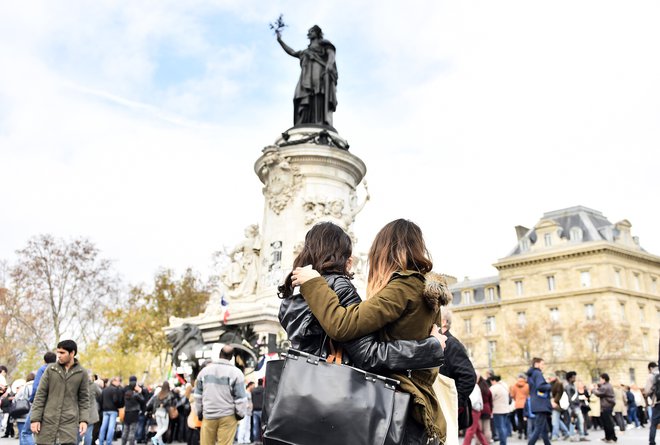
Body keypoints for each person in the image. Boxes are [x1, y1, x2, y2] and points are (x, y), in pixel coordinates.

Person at [292, 219, 451, 444]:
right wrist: (431, 347)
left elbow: (343, 325)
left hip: (391, 405)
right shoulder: (427, 293)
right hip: (413, 405)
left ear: (384, 251)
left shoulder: (402, 287)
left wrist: (314, 284)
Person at [278, 222, 446, 373]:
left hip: (301, 384)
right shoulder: (337, 285)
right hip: (338, 389)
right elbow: (366, 352)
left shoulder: (293, 299)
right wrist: (431, 348)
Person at [30, 339, 90, 445]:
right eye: (58, 352)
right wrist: (35, 419)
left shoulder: (82, 373)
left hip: (69, 423)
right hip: (48, 421)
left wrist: (84, 420)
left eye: (62, 353)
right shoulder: (50, 369)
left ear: (72, 353)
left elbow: (84, 399)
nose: (59, 355)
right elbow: (40, 395)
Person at [276, 25, 338, 127]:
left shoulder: (323, 43)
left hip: (319, 71)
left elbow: (331, 54)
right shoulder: (306, 51)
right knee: (302, 95)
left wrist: (330, 64)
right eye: (309, 32)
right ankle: (304, 120)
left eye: (311, 31)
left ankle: (319, 120)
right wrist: (280, 41)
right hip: (306, 76)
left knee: (318, 92)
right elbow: (292, 52)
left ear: (318, 33)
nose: (309, 33)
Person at [194, 346, 247, 445]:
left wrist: (199, 412)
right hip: (228, 416)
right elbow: (241, 398)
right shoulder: (236, 373)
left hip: (208, 415)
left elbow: (197, 396)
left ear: (219, 355)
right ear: (231, 357)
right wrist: (240, 414)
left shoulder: (204, 372)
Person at [439, 307, 477, 431]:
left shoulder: (451, 344)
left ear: (443, 322)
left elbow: (469, 376)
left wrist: (454, 402)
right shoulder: (441, 343)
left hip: (447, 409)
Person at [20, 352, 57, 445]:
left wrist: (31, 400)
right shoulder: (59, 370)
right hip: (55, 405)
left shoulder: (43, 369)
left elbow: (37, 388)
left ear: (44, 360)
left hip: (40, 404)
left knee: (26, 432)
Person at [526, 357, 552, 445]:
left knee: (544, 429)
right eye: (542, 364)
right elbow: (540, 386)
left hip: (537, 403)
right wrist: (549, 385)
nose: (543, 366)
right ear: (536, 364)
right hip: (540, 404)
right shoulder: (537, 373)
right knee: (538, 429)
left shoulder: (532, 374)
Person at [98, 376, 124, 445]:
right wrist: (119, 406)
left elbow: (100, 400)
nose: (119, 383)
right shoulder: (115, 390)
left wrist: (102, 407)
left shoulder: (105, 389)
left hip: (105, 410)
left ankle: (101, 442)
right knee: (111, 427)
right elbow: (116, 400)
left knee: (103, 427)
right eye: (118, 381)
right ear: (113, 381)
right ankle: (108, 443)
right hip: (113, 410)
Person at [463, 376, 488, 445]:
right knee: (472, 430)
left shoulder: (471, 385)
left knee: (476, 430)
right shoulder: (474, 386)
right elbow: (474, 400)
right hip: (475, 410)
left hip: (474, 410)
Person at [592, 373, 616, 443]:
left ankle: (610, 437)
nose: (600, 380)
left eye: (600, 379)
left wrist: (593, 390)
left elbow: (599, 393)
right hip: (608, 405)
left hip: (606, 406)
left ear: (604, 379)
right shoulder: (608, 385)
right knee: (607, 422)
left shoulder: (605, 386)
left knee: (607, 423)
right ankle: (608, 437)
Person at [564, 371, 588, 441]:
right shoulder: (568, 387)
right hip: (573, 407)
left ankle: (580, 435)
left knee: (578, 421)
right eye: (573, 377)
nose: (575, 379)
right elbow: (570, 398)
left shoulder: (572, 386)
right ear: (569, 378)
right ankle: (573, 436)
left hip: (576, 406)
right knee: (574, 421)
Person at [122, 376, 146, 445]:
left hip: (126, 412)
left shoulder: (125, 392)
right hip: (134, 413)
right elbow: (143, 400)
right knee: (132, 431)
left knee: (125, 431)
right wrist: (139, 392)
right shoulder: (136, 394)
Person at [490, 375, 510, 445]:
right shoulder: (504, 386)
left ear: (493, 381)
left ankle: (503, 443)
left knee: (500, 427)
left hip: (498, 410)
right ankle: (504, 442)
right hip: (506, 409)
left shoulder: (494, 388)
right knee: (504, 427)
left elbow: (490, 397)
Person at [549, 373, 570, 440]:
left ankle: (555, 435)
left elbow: (559, 394)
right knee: (557, 420)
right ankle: (566, 433)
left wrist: (554, 401)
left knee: (554, 421)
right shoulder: (551, 384)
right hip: (553, 404)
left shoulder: (558, 384)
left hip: (556, 405)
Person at [84, 372, 102, 445]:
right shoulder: (93, 385)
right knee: (88, 432)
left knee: (77, 433)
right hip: (90, 412)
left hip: (78, 411)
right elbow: (100, 393)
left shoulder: (77, 385)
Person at [510, 374, 530, 440]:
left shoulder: (514, 386)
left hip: (518, 404)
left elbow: (512, 395)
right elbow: (528, 394)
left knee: (519, 419)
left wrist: (517, 399)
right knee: (525, 419)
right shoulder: (527, 385)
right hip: (525, 404)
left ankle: (520, 433)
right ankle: (526, 434)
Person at [645, 362, 660, 445]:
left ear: (650, 368)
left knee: (654, 424)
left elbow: (647, 390)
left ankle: (652, 442)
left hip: (657, 402)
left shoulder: (651, 376)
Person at [250, 379, 264, 444]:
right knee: (262, 426)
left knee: (255, 426)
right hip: (262, 410)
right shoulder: (264, 390)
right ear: (262, 382)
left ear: (258, 383)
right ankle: (262, 440)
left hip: (255, 410)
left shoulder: (253, 390)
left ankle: (256, 440)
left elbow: (252, 400)